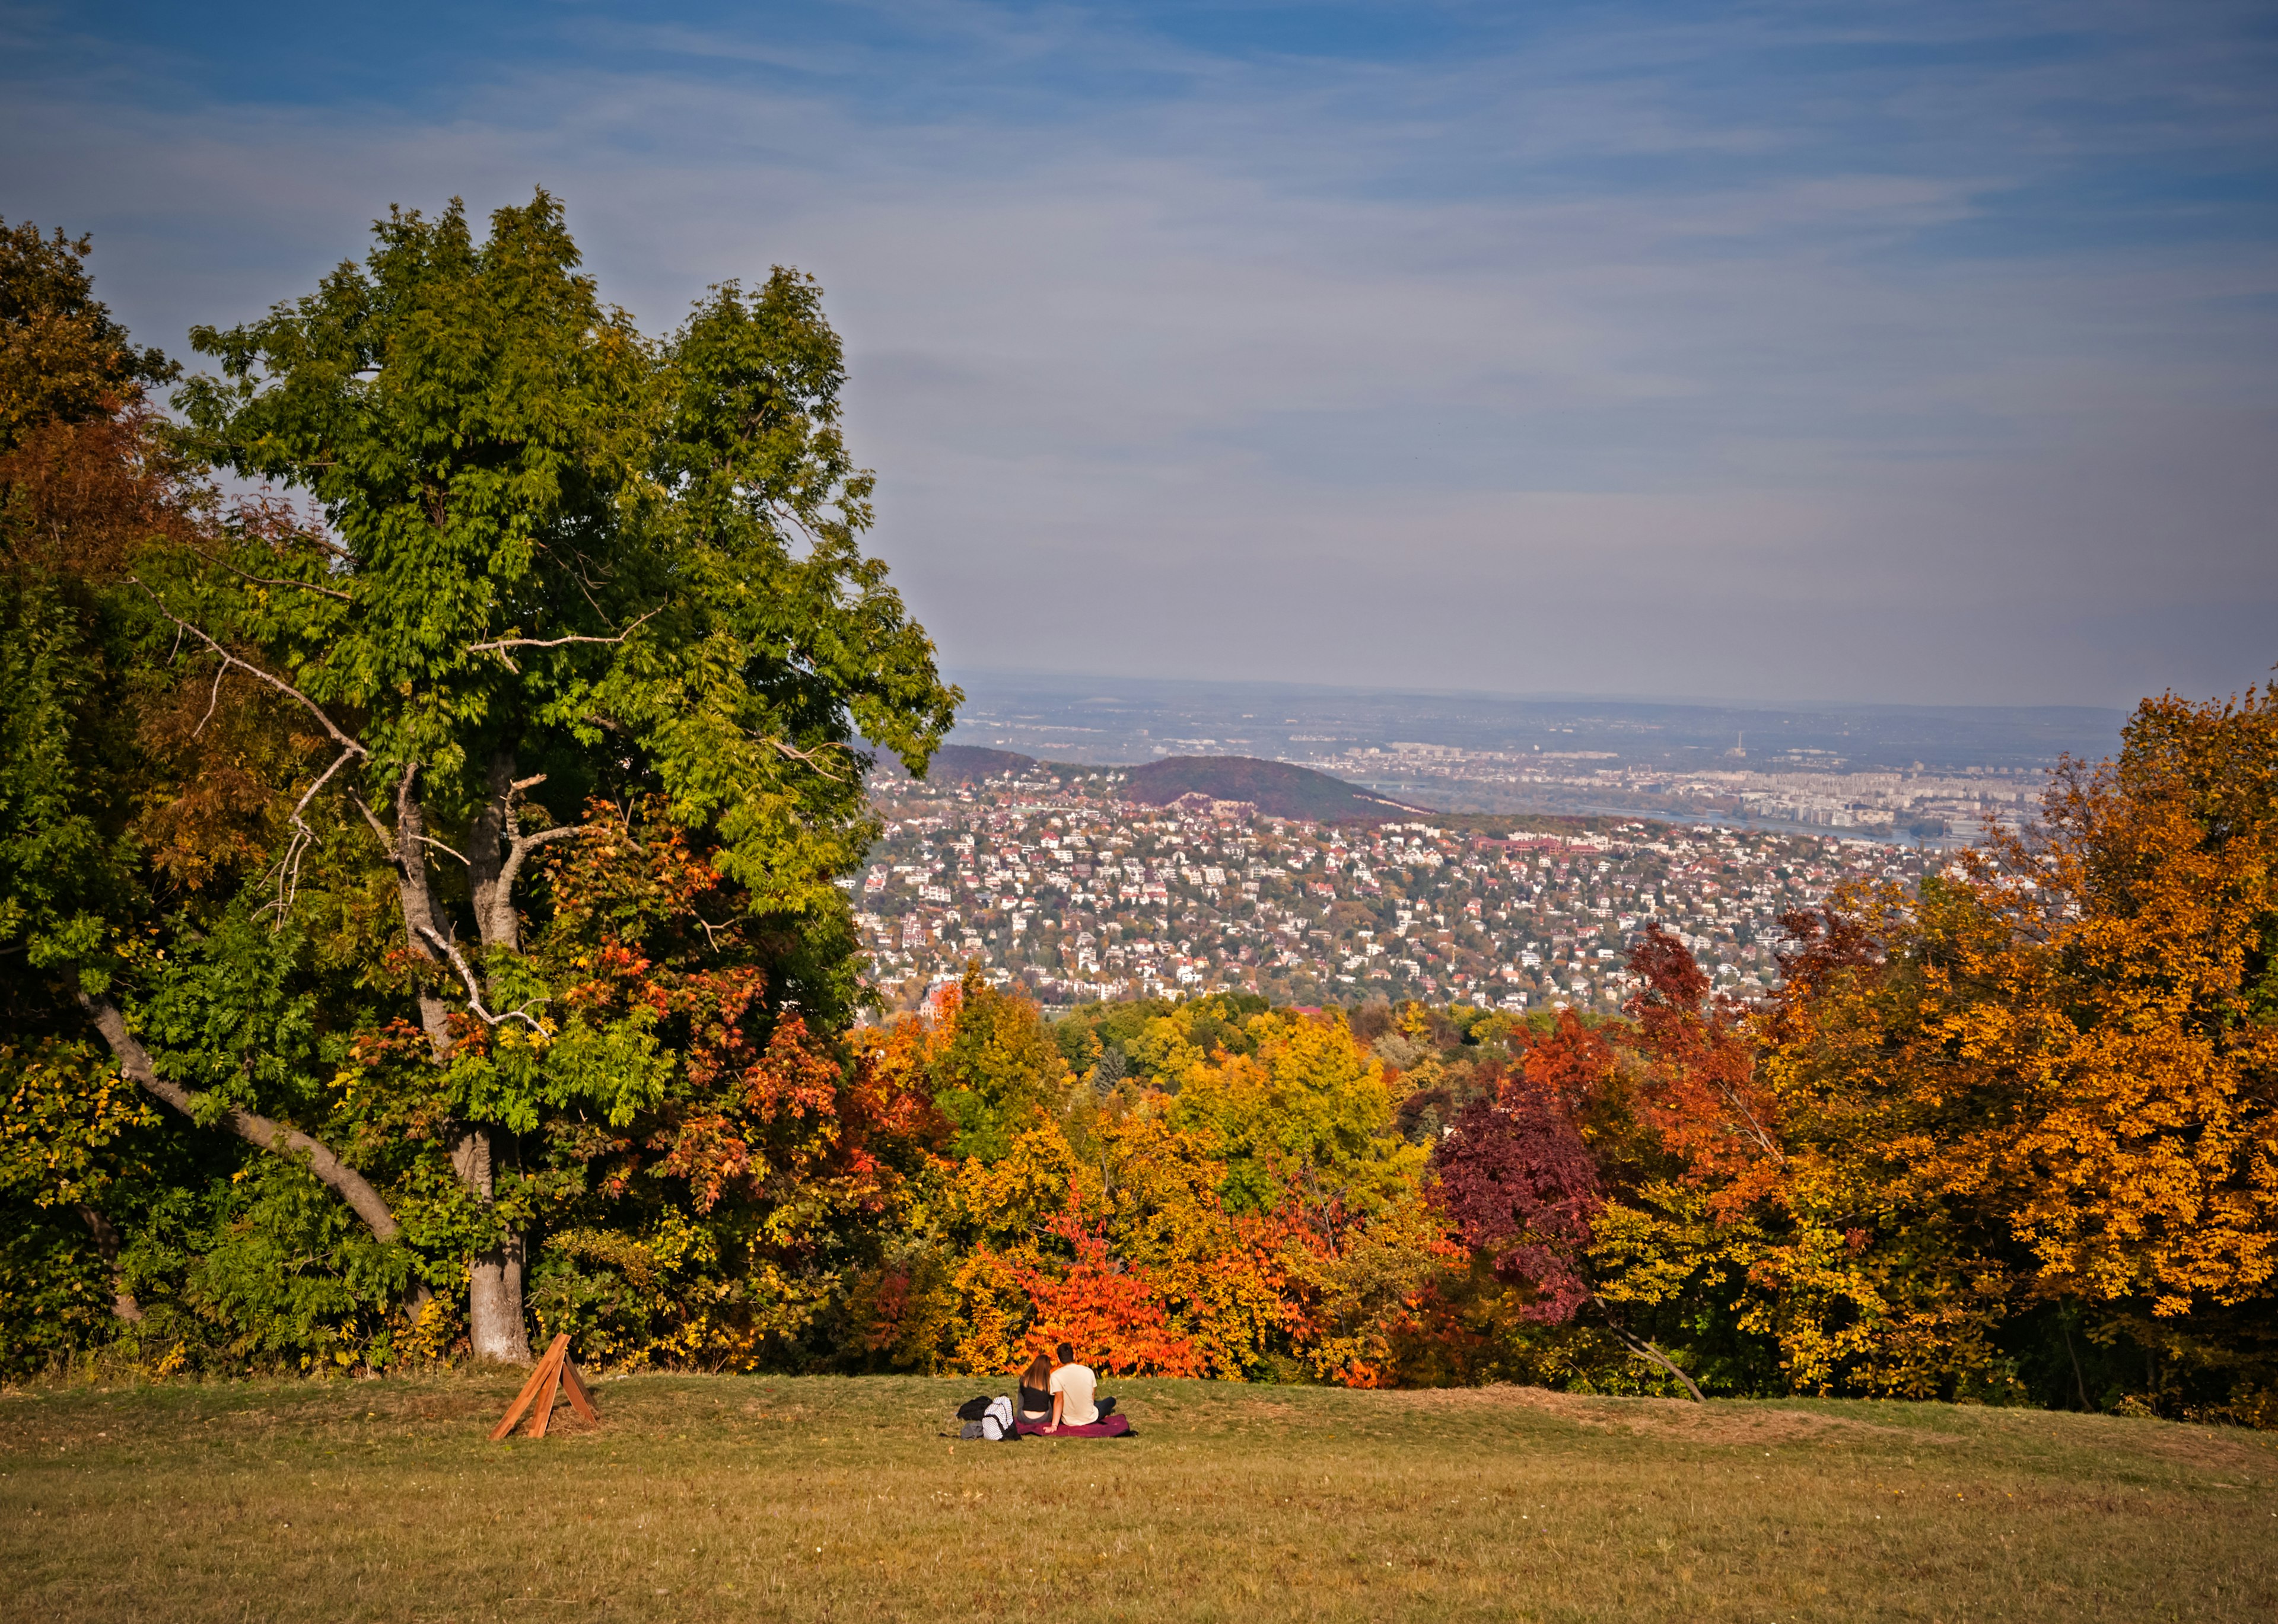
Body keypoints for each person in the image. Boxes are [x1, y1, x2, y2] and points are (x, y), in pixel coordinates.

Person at [1043, 1342, 1116, 1432]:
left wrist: (1054, 1425)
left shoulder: (1055, 1376)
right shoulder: (1088, 1372)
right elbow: (1091, 1398)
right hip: (1090, 1418)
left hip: (1068, 1421)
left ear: (1058, 1359)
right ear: (1074, 1356)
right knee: (1111, 1401)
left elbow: (1059, 1400)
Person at [1016, 1351, 1055, 1425]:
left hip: (1024, 1418)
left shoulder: (1024, 1380)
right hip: (1044, 1418)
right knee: (1051, 1397)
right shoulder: (1049, 1381)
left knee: (1021, 1392)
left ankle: (1022, 1411)